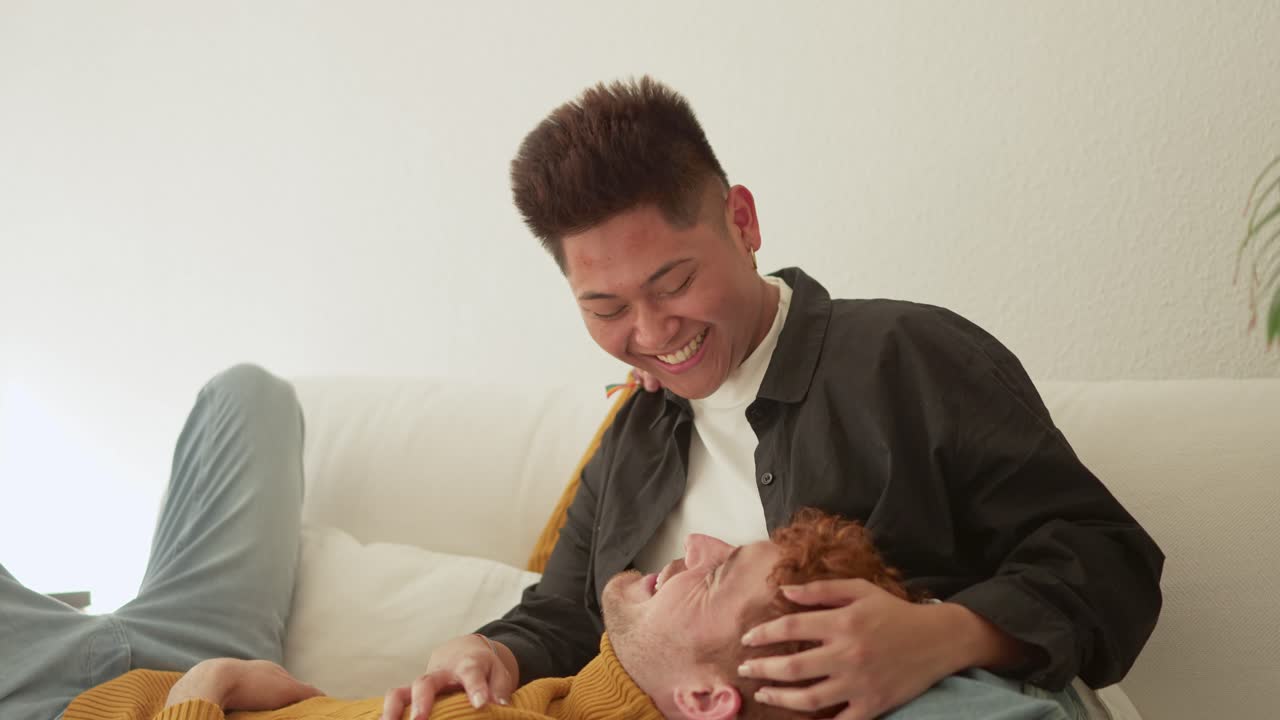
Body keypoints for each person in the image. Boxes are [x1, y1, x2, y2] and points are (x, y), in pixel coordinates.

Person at [390, 77, 1165, 720]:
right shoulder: (636, 432)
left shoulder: (908, 359)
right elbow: (565, 614)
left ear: (744, 221)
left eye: (676, 282)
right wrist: (486, 651)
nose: (654, 331)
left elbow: (1110, 562)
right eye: (607, 310)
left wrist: (947, 635)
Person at [60, 509, 1079, 719]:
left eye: (718, 577)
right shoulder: (549, 698)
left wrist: (202, 693)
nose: (696, 545)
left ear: (705, 699)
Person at [0, 365, 307, 720]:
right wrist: (210, 680)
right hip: (203, 662)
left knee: (250, 392)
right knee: (253, 394)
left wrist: (211, 682)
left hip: (36, 681)